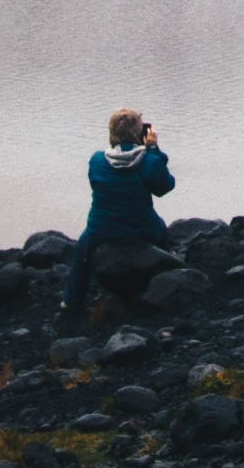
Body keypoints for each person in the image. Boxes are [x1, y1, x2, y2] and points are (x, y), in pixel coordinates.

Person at [62, 107, 174, 320]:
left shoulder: (96, 160)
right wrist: (153, 149)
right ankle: (169, 278)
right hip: (142, 227)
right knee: (163, 234)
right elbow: (164, 187)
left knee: (82, 249)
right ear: (139, 133)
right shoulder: (148, 161)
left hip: (101, 228)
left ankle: (71, 300)